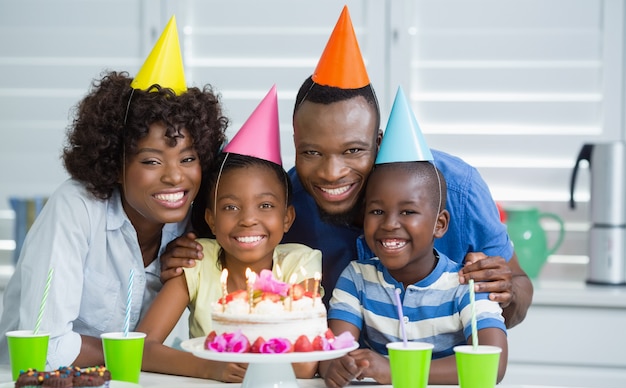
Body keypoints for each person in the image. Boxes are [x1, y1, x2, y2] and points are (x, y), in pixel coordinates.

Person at [160, 6, 532, 328]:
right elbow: (228, 262)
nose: (331, 172)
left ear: (379, 143)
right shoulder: (281, 208)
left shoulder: (457, 188)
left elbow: (518, 292)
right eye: (312, 153)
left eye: (353, 150)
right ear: (294, 145)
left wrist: (508, 289)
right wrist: (193, 257)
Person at [0, 17, 227, 369]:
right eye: (152, 161)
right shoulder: (75, 209)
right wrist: (148, 356)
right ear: (114, 161)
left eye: (188, 158)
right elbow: (45, 349)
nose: (174, 177)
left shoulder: (193, 227)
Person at [319, 89, 507, 388]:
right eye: (377, 210)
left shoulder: (466, 286)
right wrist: (335, 365)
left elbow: (491, 363)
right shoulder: (356, 279)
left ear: (440, 224)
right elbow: (336, 350)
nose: (390, 224)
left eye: (408, 212)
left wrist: (396, 371)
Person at [136, 86, 322, 382]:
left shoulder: (299, 265)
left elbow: (306, 365)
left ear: (287, 218)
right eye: (231, 207)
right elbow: (141, 348)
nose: (248, 219)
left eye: (265, 205)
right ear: (210, 219)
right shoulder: (197, 263)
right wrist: (211, 368)